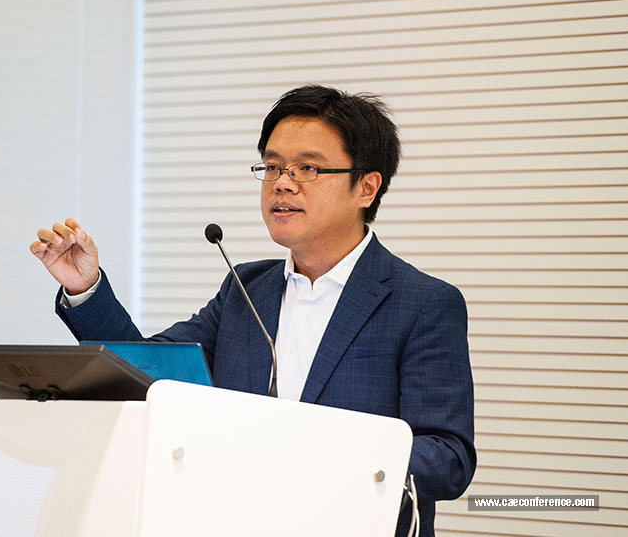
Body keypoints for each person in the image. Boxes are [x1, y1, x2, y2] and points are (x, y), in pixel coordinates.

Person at [30, 85, 476, 537]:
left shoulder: (423, 303)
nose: (282, 182)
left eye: (307, 168)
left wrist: (314, 450)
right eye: (273, 166)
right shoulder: (245, 289)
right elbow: (147, 373)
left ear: (366, 187)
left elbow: (448, 460)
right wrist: (85, 287)